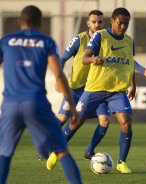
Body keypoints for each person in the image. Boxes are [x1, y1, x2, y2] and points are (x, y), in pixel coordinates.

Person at [47, 7, 146, 174]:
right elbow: (84, 58)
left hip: (117, 90)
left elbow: (129, 62)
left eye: (126, 23)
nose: (124, 26)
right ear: (112, 21)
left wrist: (139, 77)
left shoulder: (128, 41)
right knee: (75, 123)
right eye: (120, 23)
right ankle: (56, 151)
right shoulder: (100, 36)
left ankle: (121, 162)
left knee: (126, 122)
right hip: (94, 89)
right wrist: (93, 59)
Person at [0, 5, 82, 184]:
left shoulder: (6, 41)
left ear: (19, 22)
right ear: (39, 23)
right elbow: (58, 73)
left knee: (5, 153)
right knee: (61, 151)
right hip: (35, 102)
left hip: (10, 104)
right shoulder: (46, 42)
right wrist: (72, 106)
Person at [58, 10, 146, 126]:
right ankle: (50, 143)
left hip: (96, 87)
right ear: (88, 23)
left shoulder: (105, 38)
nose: (97, 25)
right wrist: (58, 79)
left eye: (100, 22)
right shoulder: (80, 39)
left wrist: (140, 74)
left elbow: (127, 61)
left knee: (104, 121)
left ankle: (89, 145)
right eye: (93, 22)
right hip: (76, 87)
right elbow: (62, 59)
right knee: (64, 119)